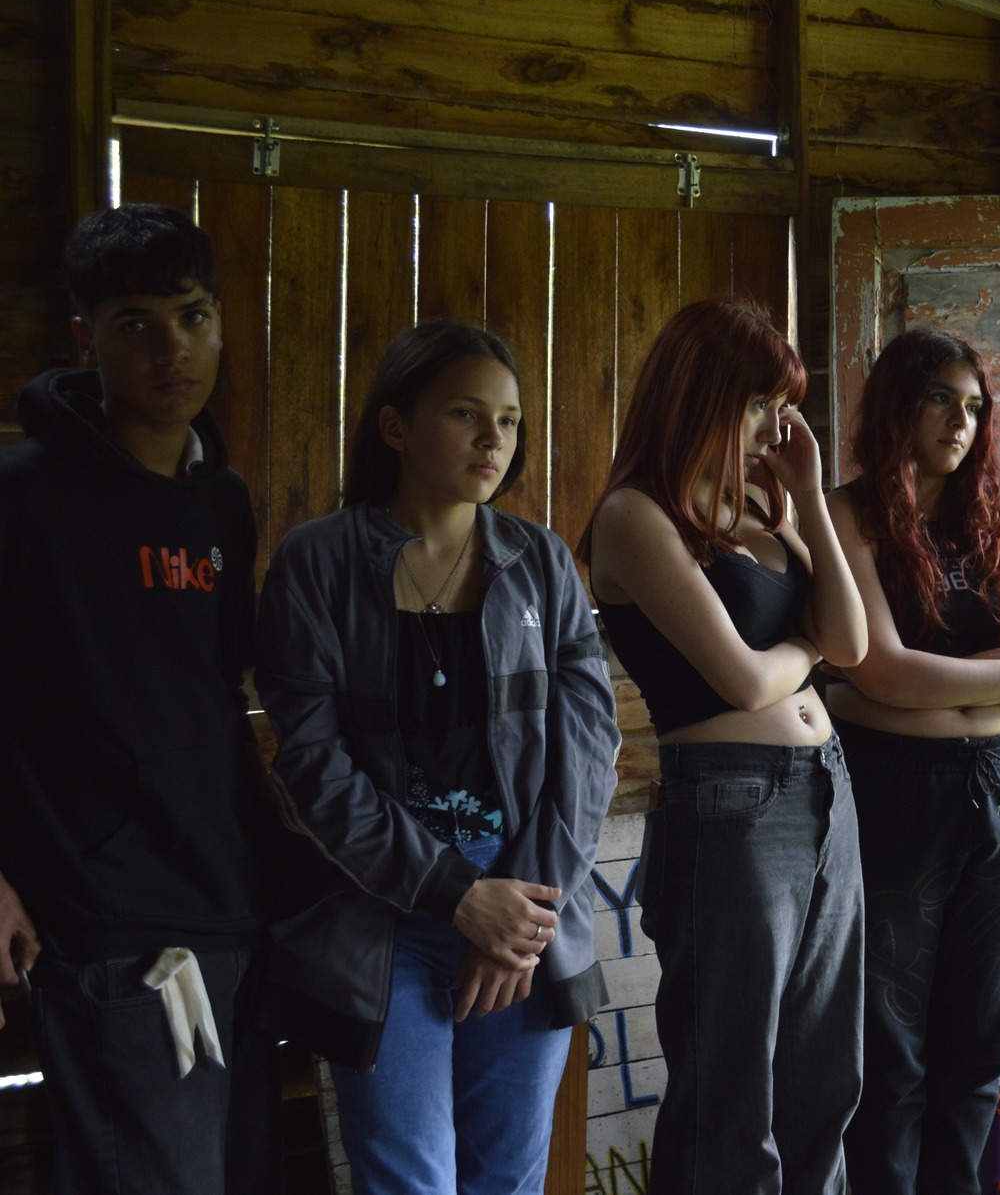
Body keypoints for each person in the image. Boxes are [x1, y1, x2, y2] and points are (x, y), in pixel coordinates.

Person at [255, 320, 621, 1194]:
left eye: (510, 420)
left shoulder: (540, 563)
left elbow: (589, 746)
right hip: (380, 912)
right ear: (395, 426)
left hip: (524, 901)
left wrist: (519, 915)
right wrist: (457, 896)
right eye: (466, 413)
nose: (495, 439)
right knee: (407, 1179)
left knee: (507, 1179)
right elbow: (312, 765)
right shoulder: (318, 563)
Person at [0, 204, 280, 1195]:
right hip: (103, 917)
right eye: (136, 325)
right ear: (86, 338)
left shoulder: (221, 500)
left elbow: (215, 691)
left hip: (231, 901)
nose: (173, 350)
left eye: (193, 317)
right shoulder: (23, 495)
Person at [582, 297, 867, 1194]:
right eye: (755, 405)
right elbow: (742, 680)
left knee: (824, 1076)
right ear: (697, 395)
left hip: (824, 789)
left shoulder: (763, 508)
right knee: (730, 1088)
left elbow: (853, 642)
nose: (772, 428)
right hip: (730, 805)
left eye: (779, 407)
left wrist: (810, 501)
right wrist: (807, 653)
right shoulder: (636, 516)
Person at [824, 328, 1000, 1194]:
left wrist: (987, 677)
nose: (960, 423)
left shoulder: (999, 516)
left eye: (973, 407)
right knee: (889, 1052)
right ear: (897, 406)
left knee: (980, 1046)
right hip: (892, 787)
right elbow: (880, 668)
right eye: (938, 400)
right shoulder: (847, 515)